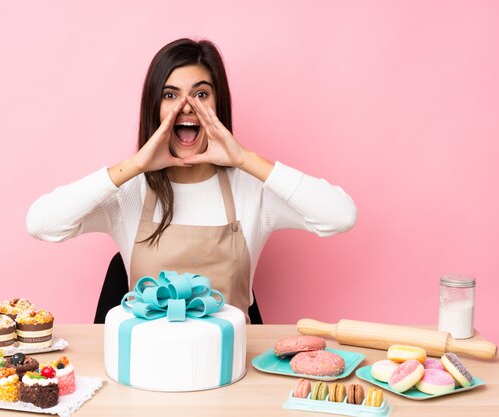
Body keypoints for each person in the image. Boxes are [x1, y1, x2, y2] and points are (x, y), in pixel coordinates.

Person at [26, 38, 357, 322]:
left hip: (231, 375)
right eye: (170, 95)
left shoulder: (251, 189)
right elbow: (42, 223)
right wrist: (136, 164)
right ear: (154, 107)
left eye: (200, 95)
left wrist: (245, 159)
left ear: (218, 104)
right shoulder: (130, 192)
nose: (185, 107)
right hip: (146, 375)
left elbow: (340, 216)